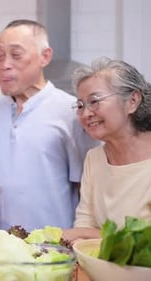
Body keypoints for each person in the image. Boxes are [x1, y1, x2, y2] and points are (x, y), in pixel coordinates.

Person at [0, 19, 100, 235]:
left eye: (16, 55)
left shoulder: (72, 112)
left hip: (53, 252)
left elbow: (88, 190)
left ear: (45, 57)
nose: (4, 64)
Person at [62, 57, 151, 242]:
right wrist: (84, 235)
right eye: (80, 105)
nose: (86, 113)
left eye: (95, 101)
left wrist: (84, 234)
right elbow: (85, 225)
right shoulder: (94, 159)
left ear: (132, 101)